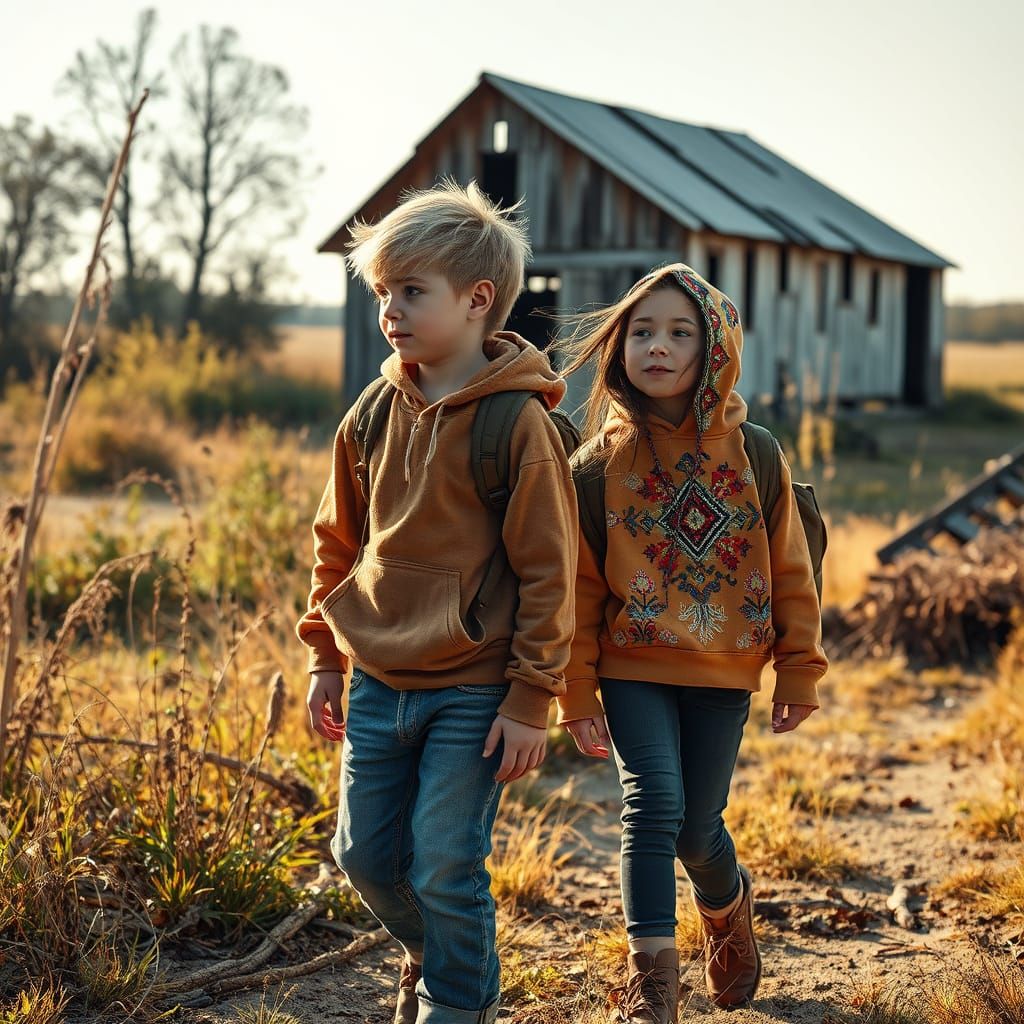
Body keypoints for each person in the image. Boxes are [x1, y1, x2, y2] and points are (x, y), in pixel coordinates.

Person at [296, 180, 578, 1024]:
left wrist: (533, 698)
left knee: (447, 861)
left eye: (411, 291)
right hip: (380, 678)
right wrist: (323, 656)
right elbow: (335, 542)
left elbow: (548, 572)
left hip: (475, 689)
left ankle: (458, 1002)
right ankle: (437, 950)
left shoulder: (515, 427)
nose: (390, 310)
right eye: (382, 291)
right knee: (365, 857)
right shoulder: (373, 413)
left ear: (476, 299)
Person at [555, 263, 828, 1022]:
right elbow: (575, 592)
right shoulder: (595, 468)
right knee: (653, 806)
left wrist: (799, 669)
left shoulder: (758, 454)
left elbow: (791, 567)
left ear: (716, 349)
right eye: (642, 331)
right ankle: (653, 986)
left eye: (680, 332)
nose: (658, 346)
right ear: (619, 348)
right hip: (631, 662)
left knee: (698, 829)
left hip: (724, 665)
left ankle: (726, 906)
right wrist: (576, 689)